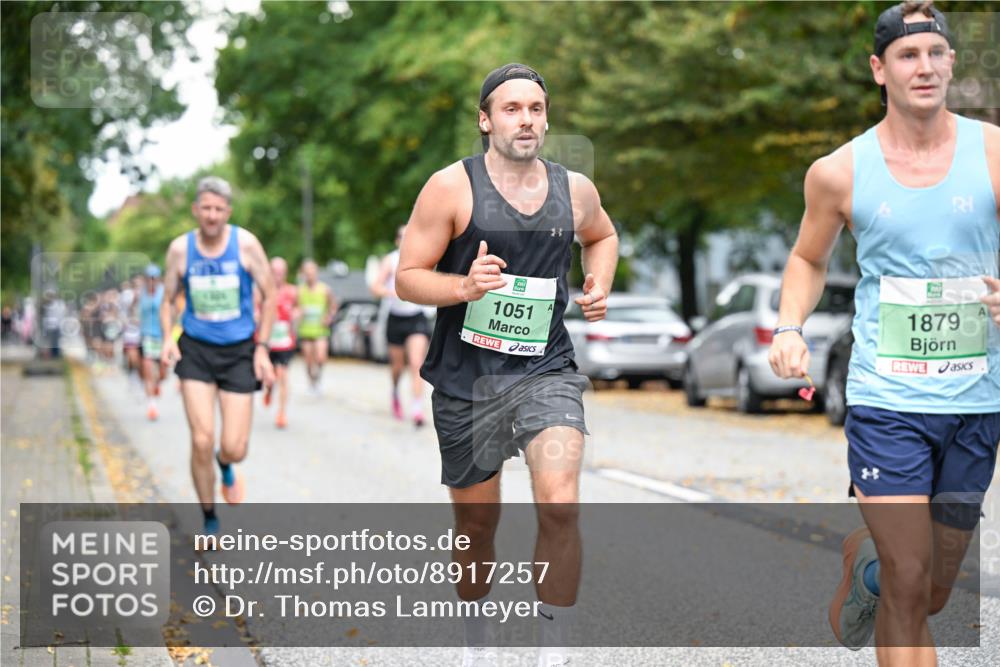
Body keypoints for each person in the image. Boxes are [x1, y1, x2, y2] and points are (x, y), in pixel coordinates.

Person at [767, 3, 1000, 663]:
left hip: (977, 401)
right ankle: (883, 567)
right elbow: (808, 258)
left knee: (929, 591)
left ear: (952, 61)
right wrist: (790, 326)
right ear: (879, 69)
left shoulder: (993, 154)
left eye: (934, 52)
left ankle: (863, 562)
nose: (923, 66)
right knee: (908, 579)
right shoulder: (839, 171)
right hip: (885, 401)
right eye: (907, 54)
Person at [396, 63, 619, 667]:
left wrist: (599, 281)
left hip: (546, 369)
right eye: (512, 108)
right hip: (467, 381)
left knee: (560, 502)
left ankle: (553, 652)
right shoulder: (451, 188)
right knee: (476, 534)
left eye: (536, 109)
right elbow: (407, 279)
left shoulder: (574, 189)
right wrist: (464, 287)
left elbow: (602, 235)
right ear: (485, 119)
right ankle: (476, 645)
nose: (526, 120)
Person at [159, 176, 276, 535]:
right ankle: (209, 517)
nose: (211, 215)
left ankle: (225, 465)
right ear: (195, 210)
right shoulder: (180, 249)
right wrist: (167, 337)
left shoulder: (245, 244)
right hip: (196, 350)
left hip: (240, 351)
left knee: (234, 447)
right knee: (201, 439)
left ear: (228, 212)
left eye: (218, 209)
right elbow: (166, 300)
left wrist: (262, 348)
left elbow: (270, 296)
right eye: (205, 208)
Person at [371, 224, 431, 427]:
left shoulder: (423, 259)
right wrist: (392, 293)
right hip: (396, 318)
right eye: (403, 237)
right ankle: (395, 391)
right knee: (397, 366)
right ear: (397, 241)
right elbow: (376, 287)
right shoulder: (390, 260)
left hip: (416, 317)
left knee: (416, 363)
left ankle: (417, 409)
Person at [259, 257, 298, 428]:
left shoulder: (292, 291)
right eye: (274, 272)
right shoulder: (262, 292)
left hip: (284, 341)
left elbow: (298, 307)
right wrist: (263, 319)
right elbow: (252, 311)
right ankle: (268, 389)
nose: (278, 276)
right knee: (270, 376)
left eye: (281, 273)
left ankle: (281, 413)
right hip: (267, 341)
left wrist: (296, 314)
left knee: (283, 375)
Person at [296, 259, 336, 395]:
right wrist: (298, 313)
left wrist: (329, 317)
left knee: (320, 356)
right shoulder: (299, 291)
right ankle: (311, 382)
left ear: (316, 272)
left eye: (312, 272)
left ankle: (318, 379)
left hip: (320, 329)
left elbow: (333, 306)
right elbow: (294, 308)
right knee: (308, 360)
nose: (309, 275)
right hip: (306, 330)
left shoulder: (325, 289)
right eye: (307, 273)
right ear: (303, 274)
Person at [139, 265, 166, 421]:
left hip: (162, 337)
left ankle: (157, 384)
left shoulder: (164, 293)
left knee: (162, 373)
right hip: (147, 337)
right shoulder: (140, 294)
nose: (151, 281)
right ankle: (152, 406)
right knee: (148, 370)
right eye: (148, 277)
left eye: (154, 277)